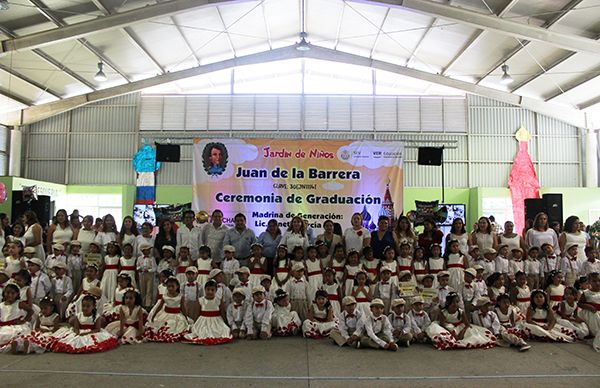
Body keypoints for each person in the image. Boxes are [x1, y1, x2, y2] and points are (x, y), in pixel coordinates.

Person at [425, 292, 496, 350]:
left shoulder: (461, 312)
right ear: (448, 303)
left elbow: (467, 324)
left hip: (460, 327)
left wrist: (463, 331)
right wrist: (452, 333)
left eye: (457, 302)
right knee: (442, 334)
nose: (455, 304)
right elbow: (442, 325)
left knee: (473, 334)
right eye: (453, 302)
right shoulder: (443, 312)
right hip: (448, 327)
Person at [51, 295, 118, 353]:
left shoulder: (96, 317)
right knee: (73, 341)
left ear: (93, 306)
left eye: (88, 306)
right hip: (80, 331)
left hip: (92, 332)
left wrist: (86, 333)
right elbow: (76, 327)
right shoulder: (78, 315)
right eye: (83, 306)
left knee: (91, 343)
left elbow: (97, 329)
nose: (85, 308)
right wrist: (77, 332)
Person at [183, 280, 233, 345]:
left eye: (212, 290)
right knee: (202, 332)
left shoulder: (218, 300)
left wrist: (226, 323)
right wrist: (195, 324)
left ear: (216, 291)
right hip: (203, 321)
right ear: (205, 290)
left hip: (217, 321)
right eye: (208, 289)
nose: (210, 292)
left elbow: (222, 313)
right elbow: (197, 313)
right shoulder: (200, 300)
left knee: (224, 330)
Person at [144, 276, 189, 342]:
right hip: (166, 314)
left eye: (172, 286)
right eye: (168, 286)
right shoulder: (165, 296)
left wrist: (186, 317)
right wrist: (154, 314)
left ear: (177, 286)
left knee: (175, 326)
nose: (170, 288)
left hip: (177, 315)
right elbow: (159, 306)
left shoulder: (180, 296)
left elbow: (183, 308)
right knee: (161, 325)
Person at [0, 284, 31, 352]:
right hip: (4, 326)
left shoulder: (19, 303)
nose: (10, 295)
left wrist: (24, 320)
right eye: (7, 293)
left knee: (13, 335)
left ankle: (21, 346)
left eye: (13, 293)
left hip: (16, 326)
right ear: (4, 293)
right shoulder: (1, 305)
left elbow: (30, 311)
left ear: (17, 294)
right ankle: (14, 346)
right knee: (3, 334)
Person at [578, 272, 600, 351]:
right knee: (595, 320)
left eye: (599, 281)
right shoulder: (587, 293)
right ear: (589, 282)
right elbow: (580, 303)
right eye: (594, 281)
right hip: (591, 313)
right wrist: (588, 306)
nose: (597, 283)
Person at [136, 243, 156, 309]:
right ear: (143, 251)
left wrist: (149, 270)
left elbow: (154, 268)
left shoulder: (152, 258)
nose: (149, 251)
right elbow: (137, 266)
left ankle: (148, 304)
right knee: (142, 289)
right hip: (142, 275)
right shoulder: (139, 258)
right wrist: (139, 269)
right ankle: (143, 303)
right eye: (147, 250)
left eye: (149, 250)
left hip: (149, 275)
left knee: (149, 289)